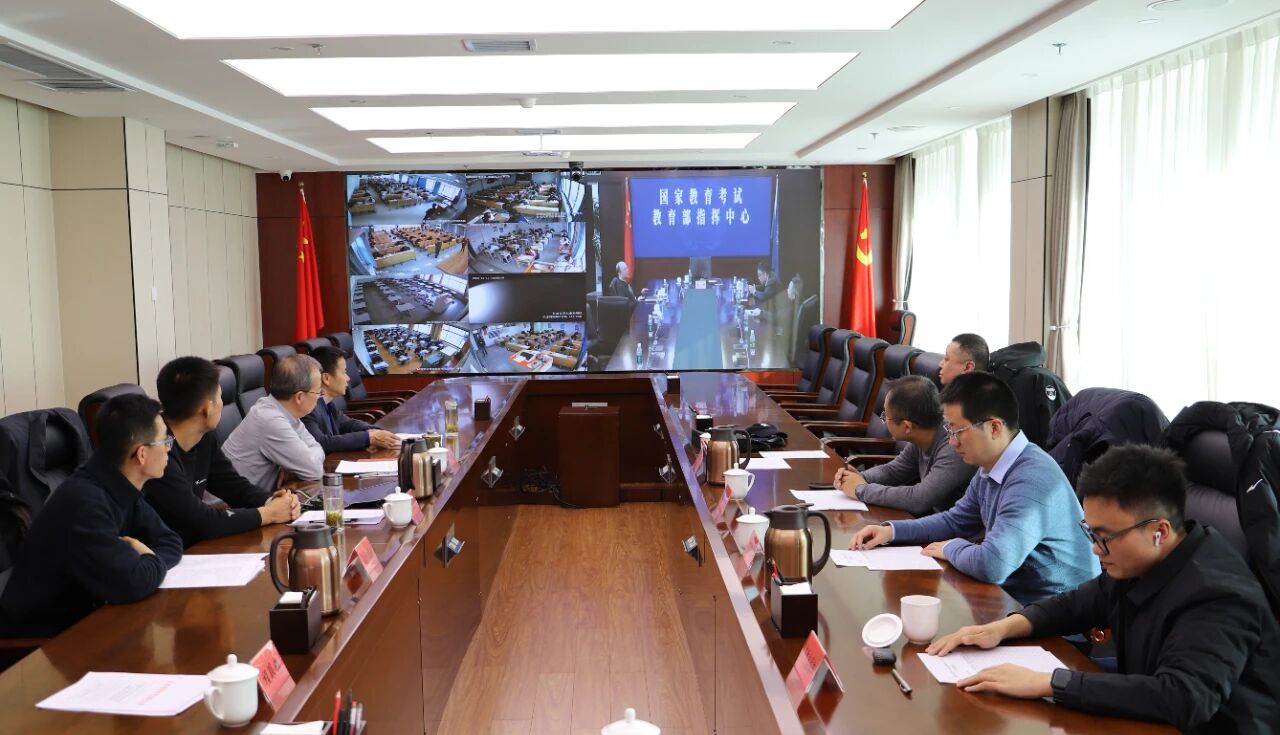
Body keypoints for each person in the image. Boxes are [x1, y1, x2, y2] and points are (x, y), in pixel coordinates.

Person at [926, 445, 1280, 733]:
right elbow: (1078, 603)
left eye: (1104, 537)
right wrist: (1002, 628)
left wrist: (1049, 683)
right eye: (1090, 533)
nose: (1095, 549)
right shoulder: (1141, 560)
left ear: (1158, 531)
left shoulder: (1218, 595)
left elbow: (1183, 697)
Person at [849, 372, 1098, 604]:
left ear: (994, 428)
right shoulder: (992, 465)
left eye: (958, 430)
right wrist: (891, 531)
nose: (951, 441)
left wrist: (950, 547)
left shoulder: (1032, 479)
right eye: (949, 430)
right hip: (1016, 598)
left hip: (1058, 614)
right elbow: (955, 521)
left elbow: (993, 564)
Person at [0, 394, 183, 637]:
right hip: (41, 641)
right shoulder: (85, 503)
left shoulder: (118, 482)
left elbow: (170, 541)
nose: (169, 448)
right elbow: (133, 582)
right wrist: (149, 558)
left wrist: (146, 560)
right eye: (164, 441)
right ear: (141, 454)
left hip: (89, 619)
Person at [143, 357, 299, 547]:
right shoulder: (158, 452)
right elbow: (203, 521)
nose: (222, 404)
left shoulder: (203, 437)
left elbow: (233, 486)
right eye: (220, 398)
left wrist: (273, 501)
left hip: (193, 547)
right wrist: (269, 514)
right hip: (164, 554)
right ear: (207, 409)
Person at [834, 376, 975, 517]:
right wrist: (859, 477)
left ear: (907, 426)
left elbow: (919, 499)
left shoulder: (953, 445)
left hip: (955, 525)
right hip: (935, 518)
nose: (883, 420)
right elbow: (894, 471)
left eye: (885, 416)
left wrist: (861, 489)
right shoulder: (923, 433)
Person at [224, 354, 327, 491]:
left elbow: (317, 448)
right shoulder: (271, 420)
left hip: (257, 496)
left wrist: (296, 465)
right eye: (318, 392)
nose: (320, 397)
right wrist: (299, 464)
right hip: (230, 502)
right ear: (299, 397)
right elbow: (314, 470)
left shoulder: (282, 410)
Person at [302, 346, 400, 454]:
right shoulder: (307, 408)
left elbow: (347, 424)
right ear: (326, 378)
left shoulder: (327, 404)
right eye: (344, 372)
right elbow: (321, 443)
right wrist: (368, 438)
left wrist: (375, 432)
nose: (348, 378)